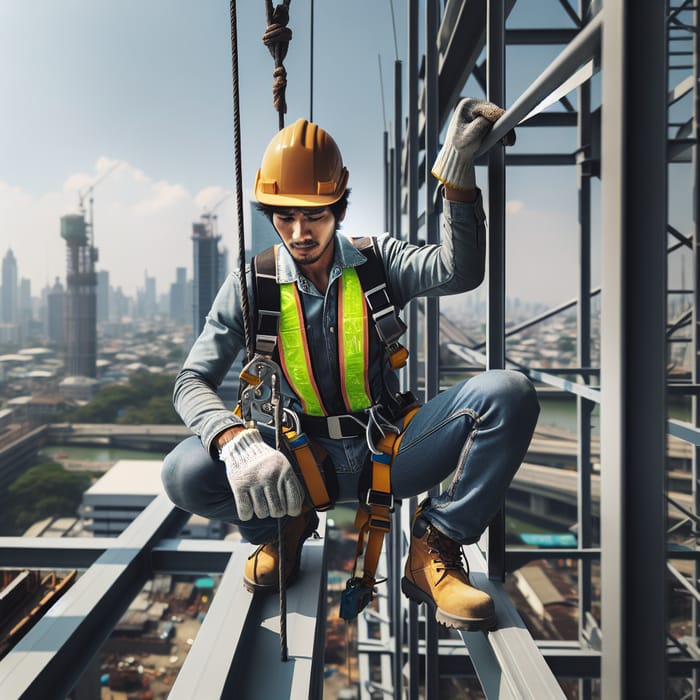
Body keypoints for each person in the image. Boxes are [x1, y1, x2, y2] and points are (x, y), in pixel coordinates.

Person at [162, 98, 539, 632]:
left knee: (509, 393)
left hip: (387, 451)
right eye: (285, 217)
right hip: (294, 461)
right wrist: (232, 439)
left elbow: (459, 271)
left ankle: (438, 543)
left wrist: (457, 173)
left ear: (338, 208)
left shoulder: (378, 262)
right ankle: (281, 530)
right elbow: (191, 379)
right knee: (185, 472)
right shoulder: (251, 287)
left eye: (313, 215)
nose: (298, 233)